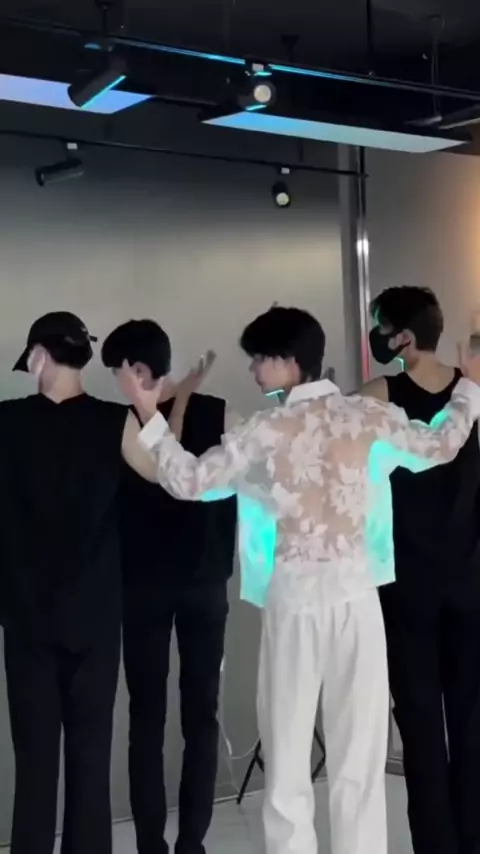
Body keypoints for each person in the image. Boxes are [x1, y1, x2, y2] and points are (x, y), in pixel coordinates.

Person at [113, 305, 480, 854]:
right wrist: (469, 387)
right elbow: (442, 444)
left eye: (259, 359)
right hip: (358, 602)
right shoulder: (366, 416)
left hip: (294, 605)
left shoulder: (263, 431)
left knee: (287, 768)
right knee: (359, 765)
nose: (253, 370)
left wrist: (150, 415)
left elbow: (189, 481)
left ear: (287, 361)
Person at [0, 311, 159, 854]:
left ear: (38, 356)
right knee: (91, 759)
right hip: (95, 615)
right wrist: (151, 408)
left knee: (34, 763)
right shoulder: (116, 423)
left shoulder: (6, 421)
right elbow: (168, 476)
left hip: (26, 617)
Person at [101, 319, 238, 854]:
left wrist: (175, 404)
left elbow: (171, 473)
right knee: (195, 717)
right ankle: (186, 845)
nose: (116, 382)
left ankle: (156, 846)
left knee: (150, 720)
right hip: (195, 586)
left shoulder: (125, 424)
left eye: (118, 371)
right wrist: (179, 400)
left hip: (149, 588)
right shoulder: (219, 413)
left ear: (138, 370)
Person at [361, 285, 480, 854]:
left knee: (420, 724)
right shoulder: (471, 391)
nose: (377, 336)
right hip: (470, 579)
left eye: (381, 325)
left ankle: (436, 845)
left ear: (402, 337)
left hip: (405, 584)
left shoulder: (376, 396)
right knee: (472, 720)